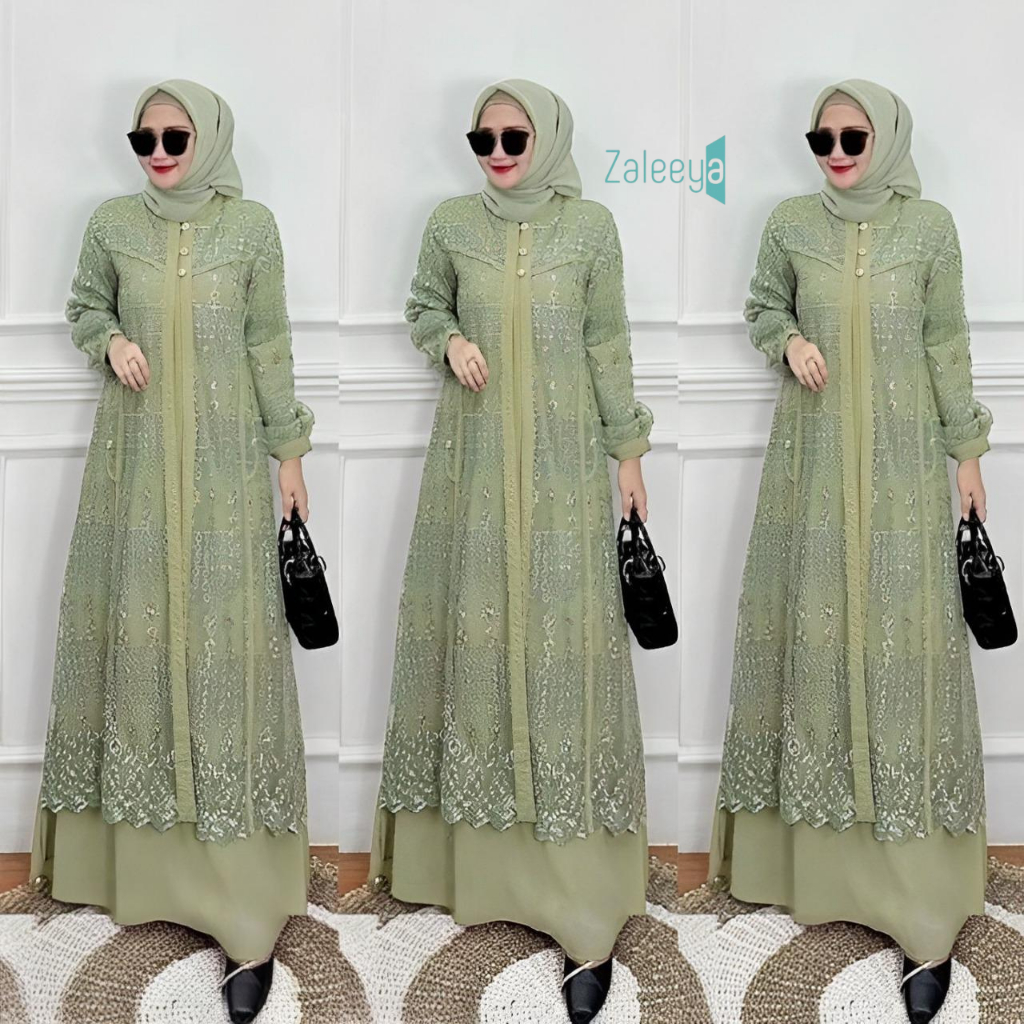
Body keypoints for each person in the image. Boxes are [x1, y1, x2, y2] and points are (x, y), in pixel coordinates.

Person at [28, 79, 314, 1024]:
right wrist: (109, 339)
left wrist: (289, 456)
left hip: (227, 471)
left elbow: (268, 346)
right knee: (143, 647)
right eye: (143, 138)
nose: (157, 152)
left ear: (209, 139)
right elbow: (82, 307)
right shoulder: (113, 224)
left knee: (224, 658)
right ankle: (141, 875)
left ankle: (238, 893)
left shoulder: (252, 229)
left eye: (174, 137)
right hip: (135, 470)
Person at [369, 78, 654, 1024]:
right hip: (475, 467)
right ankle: (480, 875)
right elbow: (422, 307)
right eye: (483, 138)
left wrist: (628, 454)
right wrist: (449, 339)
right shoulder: (452, 223)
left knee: (563, 659)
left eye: (514, 136)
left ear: (549, 138)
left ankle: (576, 889)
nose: (497, 151)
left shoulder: (592, 229)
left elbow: (608, 345)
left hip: (567, 468)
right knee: (483, 645)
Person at [708, 78, 992, 1024]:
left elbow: (946, 343)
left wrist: (968, 455)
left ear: (887, 138)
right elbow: (760, 308)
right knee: (822, 648)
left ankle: (918, 894)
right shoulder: (791, 223)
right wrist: (788, 340)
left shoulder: (931, 229)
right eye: (821, 138)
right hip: (814, 469)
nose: (835, 152)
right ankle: (820, 874)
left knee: (904, 662)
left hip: (906, 471)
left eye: (852, 137)